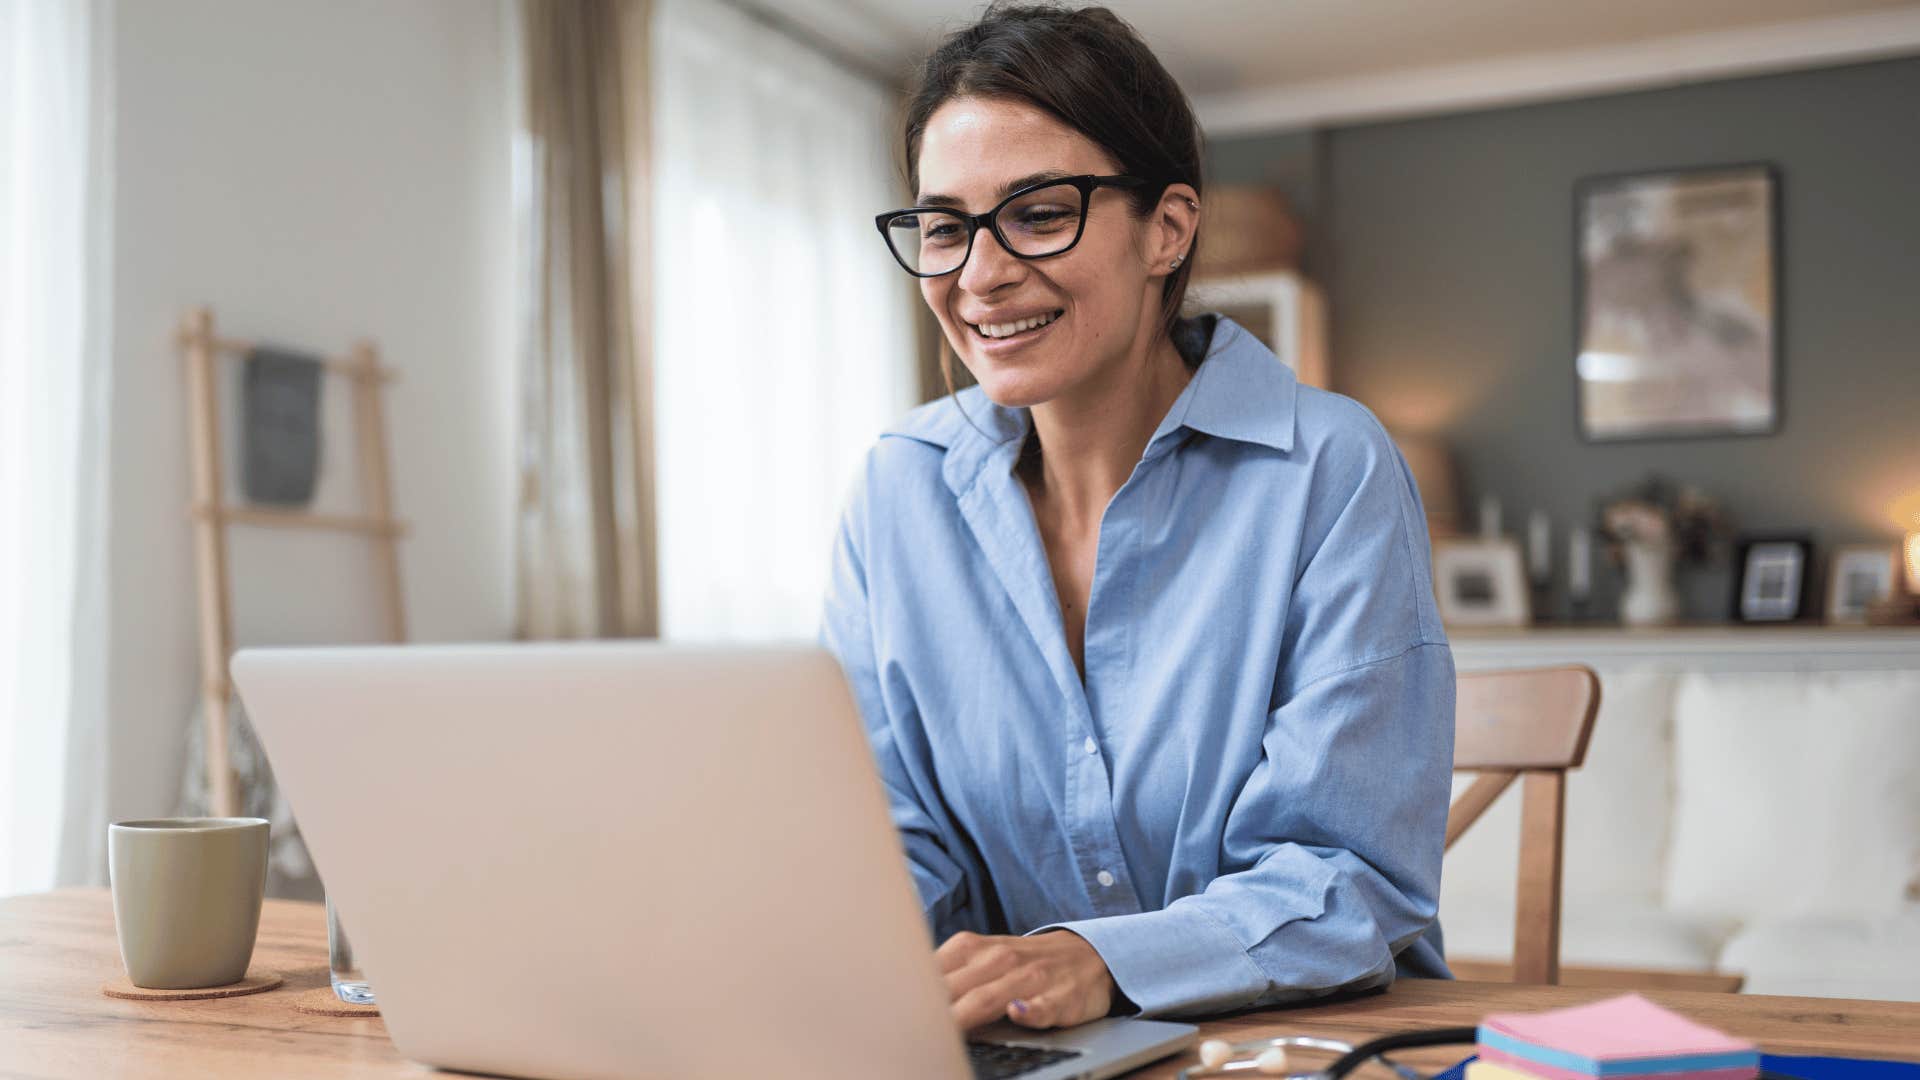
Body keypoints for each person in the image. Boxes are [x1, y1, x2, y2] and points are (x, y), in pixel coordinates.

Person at [819, 2, 1454, 1034]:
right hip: (1023, 1048)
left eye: (1037, 212)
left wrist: (1100, 959)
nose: (979, 274)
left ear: (1168, 228)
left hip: (1296, 1045)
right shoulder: (898, 491)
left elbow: (1352, 878)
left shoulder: (1328, 469)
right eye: (945, 227)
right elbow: (886, 843)